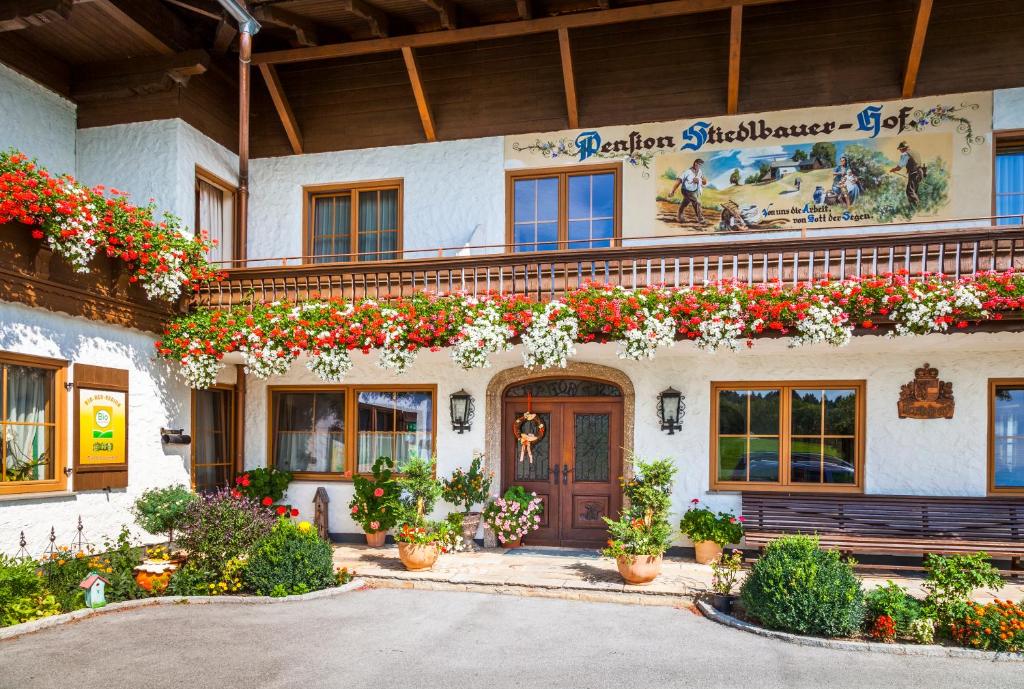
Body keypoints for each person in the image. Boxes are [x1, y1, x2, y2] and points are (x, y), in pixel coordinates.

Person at [669, 158, 707, 224]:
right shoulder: (687, 172)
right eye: (698, 164)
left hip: (694, 191)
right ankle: (700, 218)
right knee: (697, 203)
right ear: (695, 163)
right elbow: (679, 181)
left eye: (700, 165)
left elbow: (704, 182)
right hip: (686, 190)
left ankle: (680, 216)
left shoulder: (699, 171)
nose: (699, 166)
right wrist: (672, 191)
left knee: (685, 202)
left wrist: (699, 180)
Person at [890, 141, 925, 207]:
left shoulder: (905, 154)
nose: (900, 151)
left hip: (914, 174)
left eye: (900, 149)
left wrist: (893, 170)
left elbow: (899, 167)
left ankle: (917, 207)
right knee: (914, 191)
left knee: (910, 191)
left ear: (903, 148)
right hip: (920, 173)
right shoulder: (915, 152)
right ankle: (913, 207)